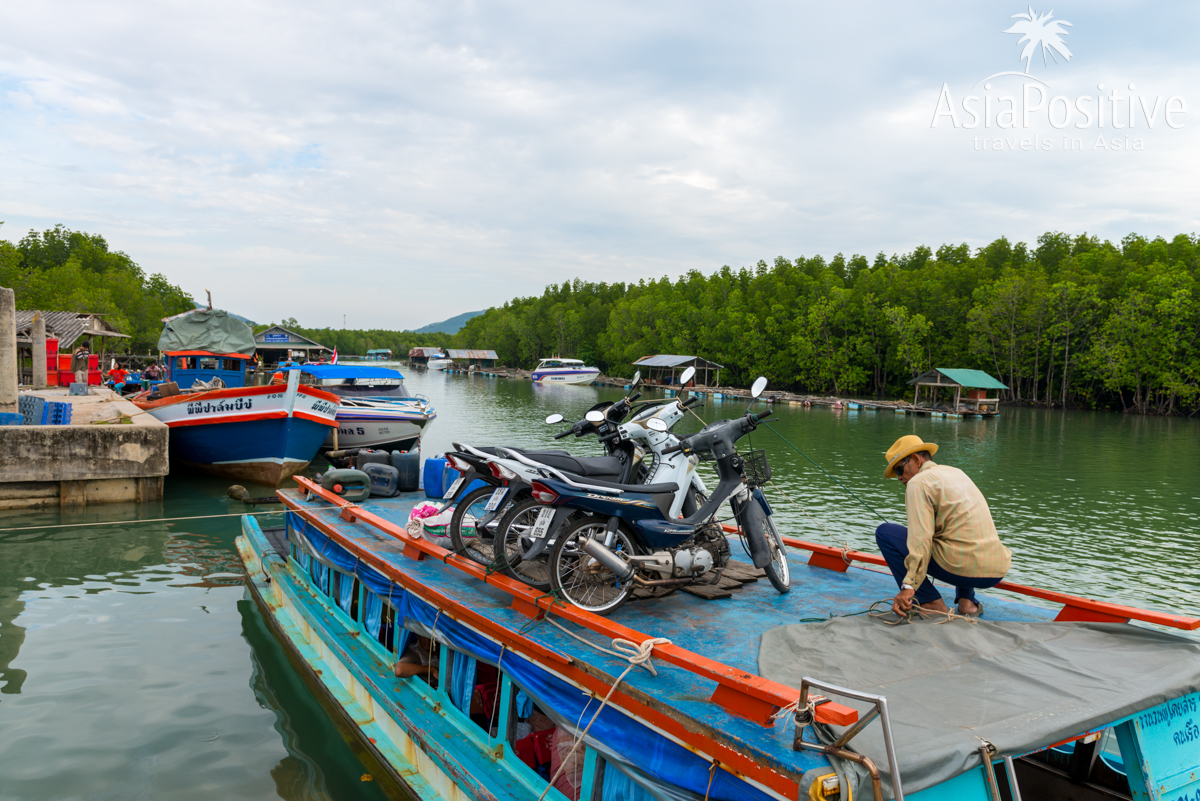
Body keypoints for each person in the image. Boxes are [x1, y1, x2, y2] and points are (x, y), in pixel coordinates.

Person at [876, 435, 1011, 617]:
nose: (899, 477)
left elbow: (920, 540)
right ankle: (967, 603)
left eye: (900, 469)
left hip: (963, 569)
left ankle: (931, 603)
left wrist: (909, 587)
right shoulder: (956, 472)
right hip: (996, 570)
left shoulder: (918, 483)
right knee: (959, 532)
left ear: (916, 459)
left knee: (885, 533)